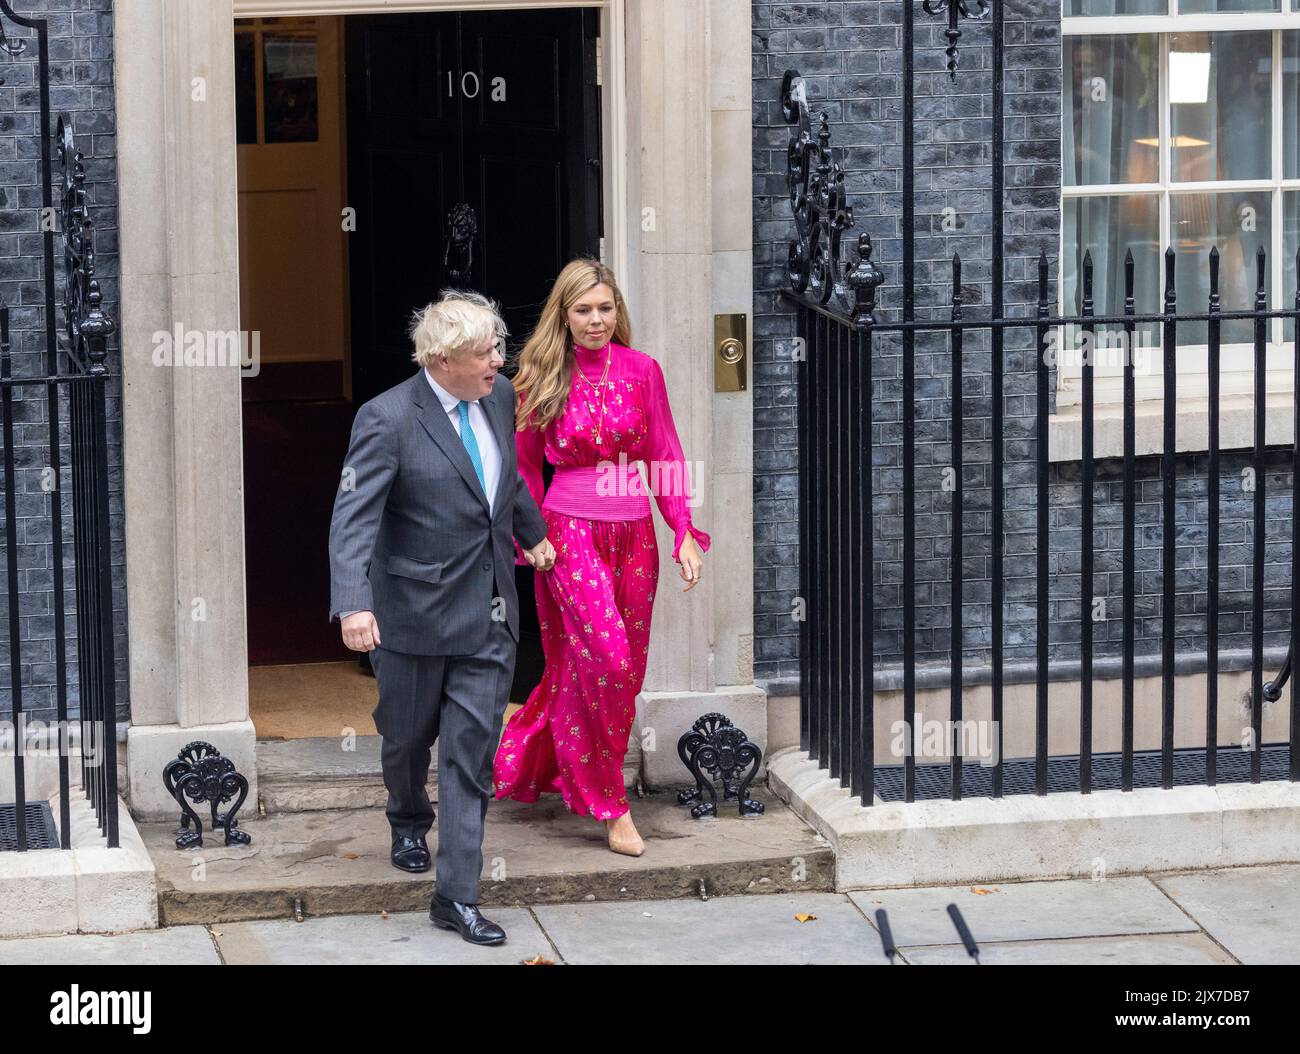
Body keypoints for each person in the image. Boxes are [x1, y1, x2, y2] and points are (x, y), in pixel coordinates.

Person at [328, 290, 556, 946]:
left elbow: (503, 478)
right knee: (405, 737)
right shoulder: (387, 418)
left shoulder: (500, 399)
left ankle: (456, 896)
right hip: (412, 615)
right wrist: (353, 601)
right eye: (485, 352)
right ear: (442, 359)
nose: (499, 361)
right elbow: (354, 515)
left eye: (498, 348)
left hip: (488, 616)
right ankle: (406, 818)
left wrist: (532, 532)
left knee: (468, 755)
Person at [493, 259, 710, 856]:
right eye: (584, 310)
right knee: (608, 658)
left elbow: (665, 453)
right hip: (568, 533)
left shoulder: (642, 371)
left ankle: (551, 756)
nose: (596, 320)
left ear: (619, 312)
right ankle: (610, 802)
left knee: (621, 668)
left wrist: (683, 529)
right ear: (564, 315)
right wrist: (531, 538)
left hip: (635, 531)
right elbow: (525, 466)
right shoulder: (539, 376)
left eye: (605, 309)